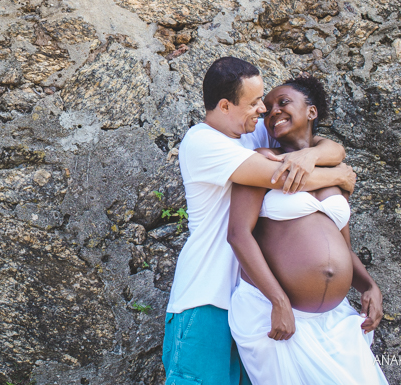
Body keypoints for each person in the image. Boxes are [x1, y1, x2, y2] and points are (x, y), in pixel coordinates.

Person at [163, 57, 356, 385]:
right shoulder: (202, 142)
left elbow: (328, 148)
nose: (262, 110)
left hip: (249, 306)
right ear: (225, 106)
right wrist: (338, 175)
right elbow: (284, 178)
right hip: (206, 298)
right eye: (253, 103)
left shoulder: (250, 137)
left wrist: (311, 156)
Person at [227, 76, 388, 385]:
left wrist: (369, 286)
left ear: (312, 112)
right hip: (276, 315)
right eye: (268, 109)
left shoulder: (335, 174)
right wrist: (279, 302)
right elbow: (238, 234)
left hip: (335, 320)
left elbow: (343, 247)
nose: (273, 112)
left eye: (283, 103)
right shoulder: (263, 161)